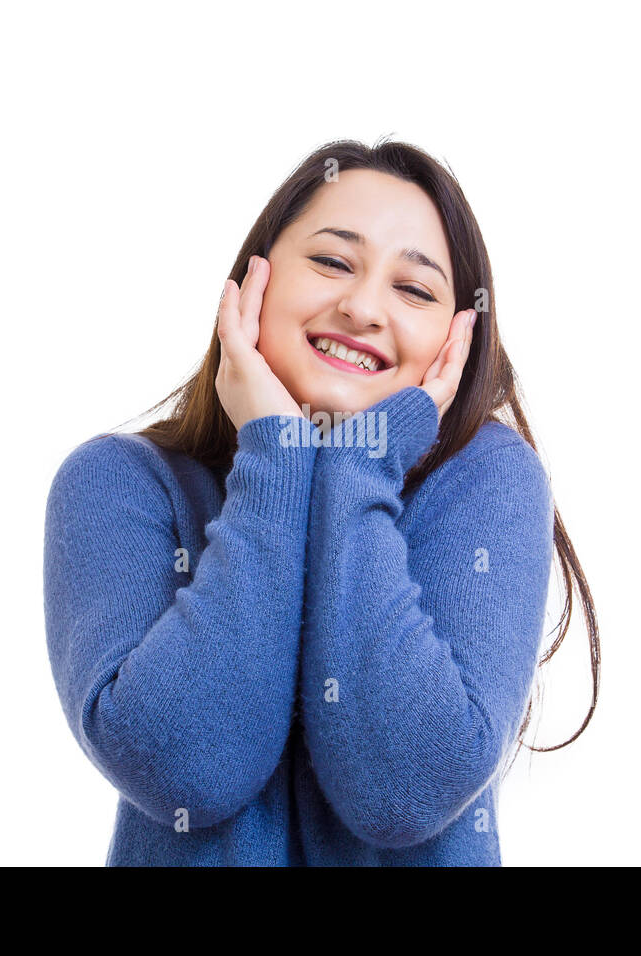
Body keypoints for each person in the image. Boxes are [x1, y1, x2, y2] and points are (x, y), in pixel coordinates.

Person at [43, 138, 599, 865]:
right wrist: (277, 455)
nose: (363, 306)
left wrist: (359, 464)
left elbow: (402, 793)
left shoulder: (487, 483)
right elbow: (189, 771)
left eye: (415, 289)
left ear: (457, 340)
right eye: (333, 261)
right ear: (253, 284)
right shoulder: (119, 484)